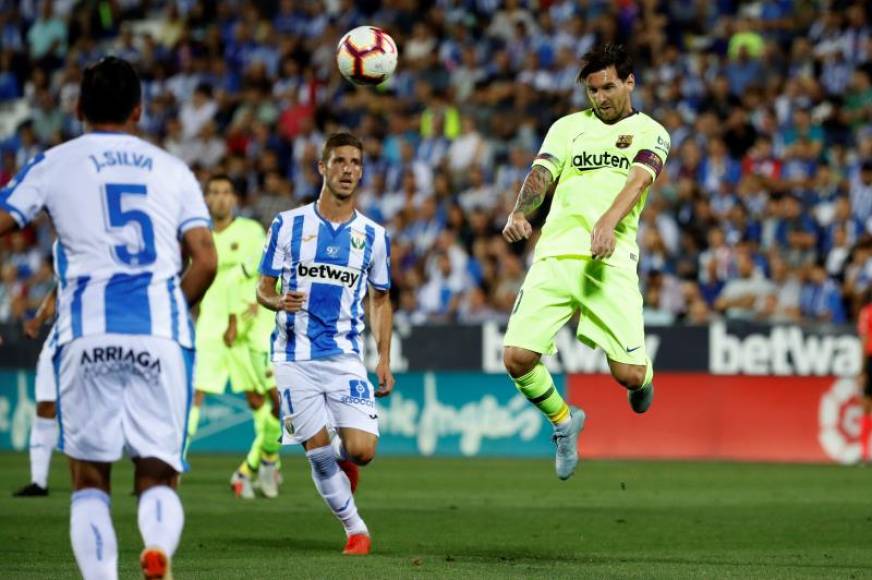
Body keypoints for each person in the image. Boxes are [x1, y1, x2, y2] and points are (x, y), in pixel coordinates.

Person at [0, 56, 217, 580]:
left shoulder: (54, 163)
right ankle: (157, 548)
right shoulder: (173, 170)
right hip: (161, 332)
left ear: (77, 108)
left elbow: (6, 221)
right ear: (139, 111)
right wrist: (169, 308)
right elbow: (207, 259)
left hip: (85, 331)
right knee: (157, 476)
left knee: (89, 480)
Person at [501, 44, 671, 480]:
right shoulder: (566, 128)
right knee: (517, 357)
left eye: (609, 87)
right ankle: (563, 422)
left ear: (630, 82)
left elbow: (638, 180)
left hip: (610, 260)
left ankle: (645, 376)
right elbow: (542, 174)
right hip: (556, 254)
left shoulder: (653, 131)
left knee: (629, 375)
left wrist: (608, 224)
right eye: (593, 90)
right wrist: (521, 211)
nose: (600, 97)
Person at [257, 132, 394, 555]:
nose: (348, 170)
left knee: (362, 451)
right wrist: (278, 300)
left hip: (345, 357)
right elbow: (262, 289)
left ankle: (341, 457)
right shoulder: (288, 224)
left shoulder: (373, 235)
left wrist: (384, 358)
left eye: (355, 162)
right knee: (315, 450)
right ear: (322, 168)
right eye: (339, 162)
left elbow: (381, 298)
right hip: (293, 357)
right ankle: (357, 531)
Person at [184, 174, 283, 499]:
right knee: (194, 394)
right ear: (206, 198)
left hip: (247, 327)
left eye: (227, 192)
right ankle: (175, 461)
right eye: (214, 193)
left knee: (262, 401)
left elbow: (265, 271)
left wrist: (256, 305)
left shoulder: (251, 232)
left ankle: (266, 460)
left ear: (234, 198)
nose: (221, 198)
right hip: (209, 326)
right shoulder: (197, 236)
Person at [12, 283, 57, 497]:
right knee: (45, 406)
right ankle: (39, 481)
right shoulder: (69, 260)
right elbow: (57, 291)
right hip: (59, 339)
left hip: (91, 337)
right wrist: (38, 320)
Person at [857, 290, 872, 463]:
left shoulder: (867, 312)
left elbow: (865, 339)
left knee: (867, 406)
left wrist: (862, 369)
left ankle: (864, 453)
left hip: (871, 359)